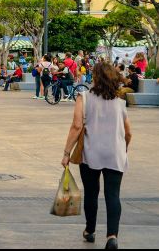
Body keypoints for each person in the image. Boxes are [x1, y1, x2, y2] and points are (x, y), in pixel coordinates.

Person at [62, 63, 132, 250]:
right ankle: (112, 236)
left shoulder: (84, 98)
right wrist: (124, 148)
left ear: (95, 78)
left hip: (91, 153)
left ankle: (90, 230)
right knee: (113, 195)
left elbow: (76, 127)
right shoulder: (120, 102)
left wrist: (67, 152)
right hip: (115, 153)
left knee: (91, 193)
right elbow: (128, 132)